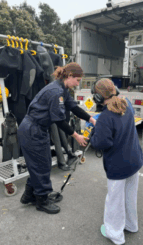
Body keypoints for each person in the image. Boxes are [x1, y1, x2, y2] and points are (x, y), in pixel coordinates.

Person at [18, 62, 96, 214]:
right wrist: (76, 136)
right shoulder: (56, 92)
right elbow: (59, 120)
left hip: (37, 128)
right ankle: (41, 200)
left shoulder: (62, 88)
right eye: (78, 80)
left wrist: (91, 119)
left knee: (40, 163)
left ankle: (29, 195)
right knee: (42, 165)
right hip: (32, 129)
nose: (78, 83)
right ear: (70, 76)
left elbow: (73, 107)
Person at [90, 78, 142, 245]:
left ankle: (115, 235)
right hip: (135, 161)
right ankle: (131, 225)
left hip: (118, 166)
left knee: (114, 200)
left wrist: (94, 133)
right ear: (115, 90)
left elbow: (100, 143)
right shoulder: (125, 103)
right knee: (129, 196)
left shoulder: (106, 116)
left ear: (98, 98)